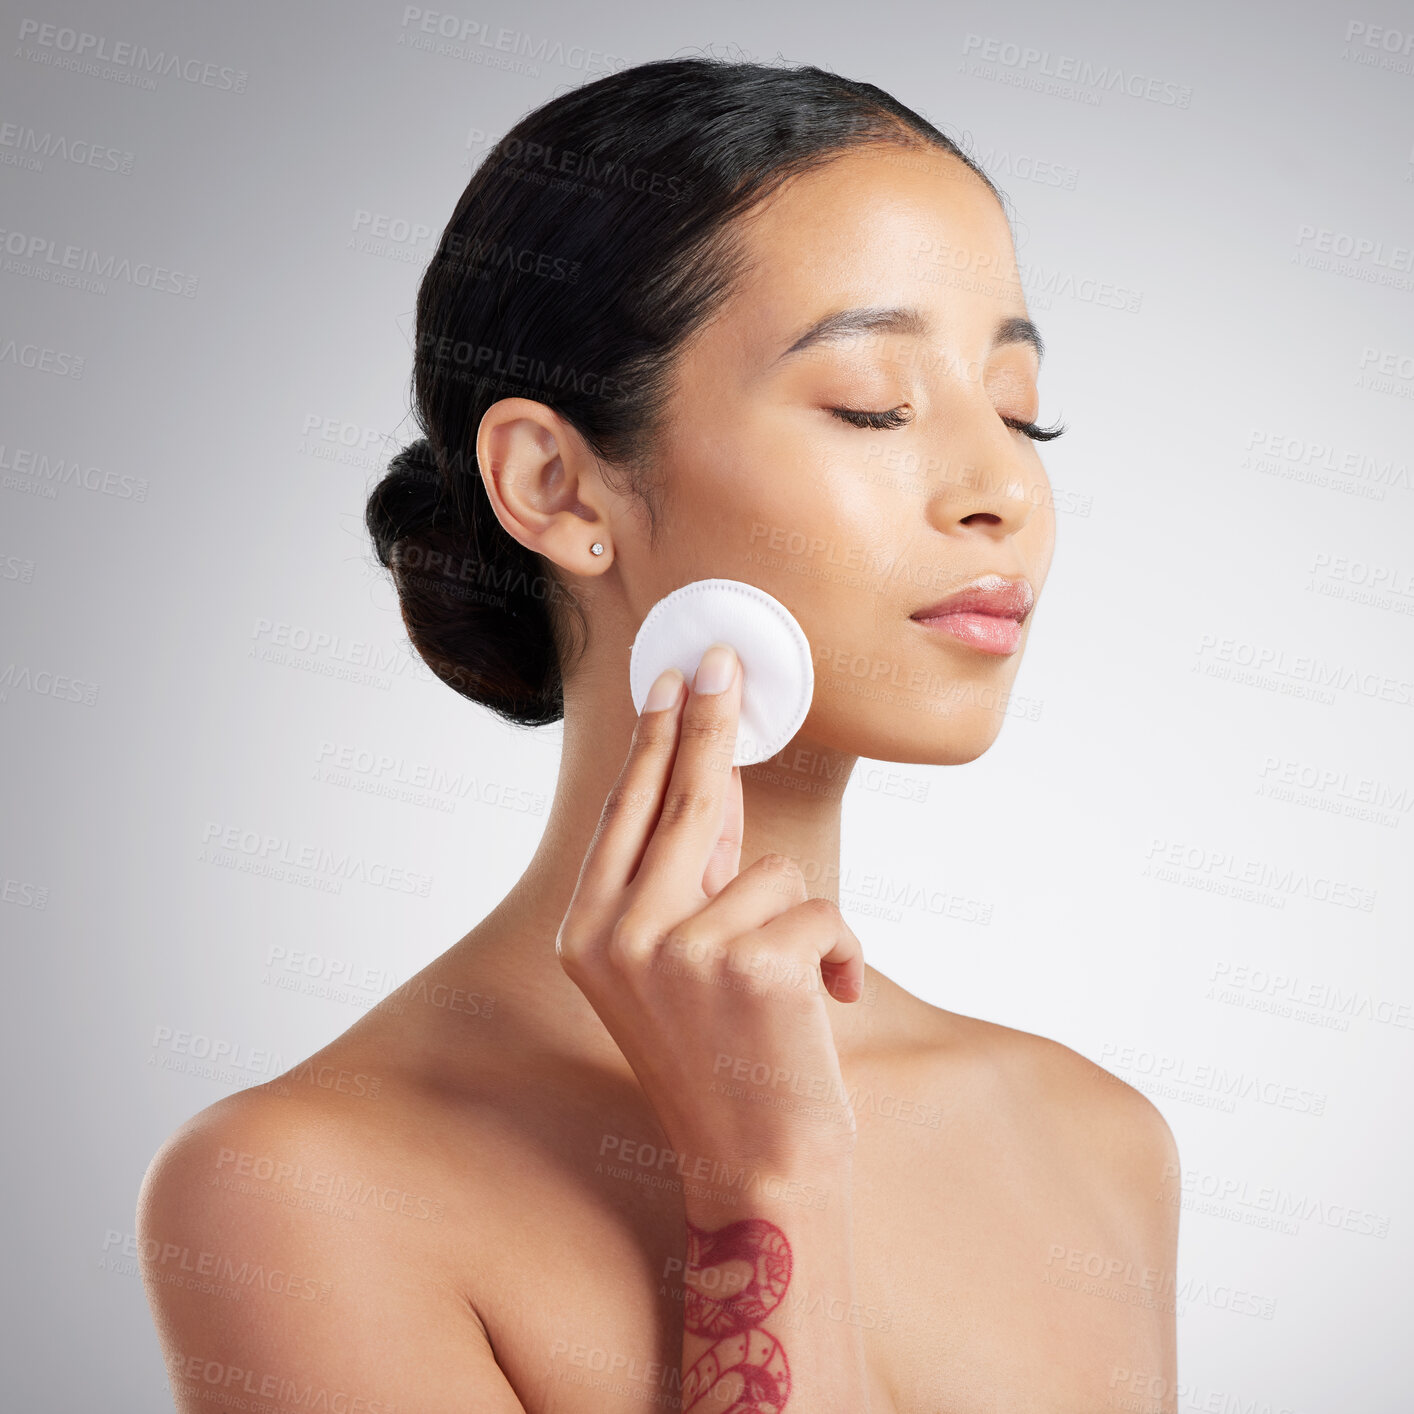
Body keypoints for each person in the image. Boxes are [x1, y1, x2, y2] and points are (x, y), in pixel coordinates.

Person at [138, 56, 1179, 1413]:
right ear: (555, 482)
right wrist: (763, 1176)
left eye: (1017, 406)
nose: (1000, 488)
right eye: (873, 402)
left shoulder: (1091, 1145)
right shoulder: (299, 1190)